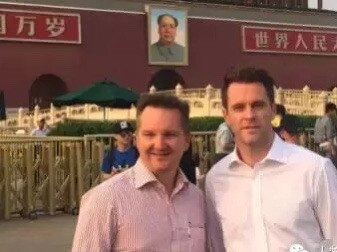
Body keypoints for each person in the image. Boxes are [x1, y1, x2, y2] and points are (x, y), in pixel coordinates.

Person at [205, 67, 337, 252]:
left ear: (273, 109)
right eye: (239, 107)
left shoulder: (314, 170)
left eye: (257, 105)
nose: (249, 115)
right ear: (226, 115)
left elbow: (333, 241)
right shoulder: (216, 179)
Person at [72, 94, 205, 252]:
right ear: (136, 140)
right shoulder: (105, 201)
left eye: (170, 134)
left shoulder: (197, 199)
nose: (159, 144)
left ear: (186, 141)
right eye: (149, 134)